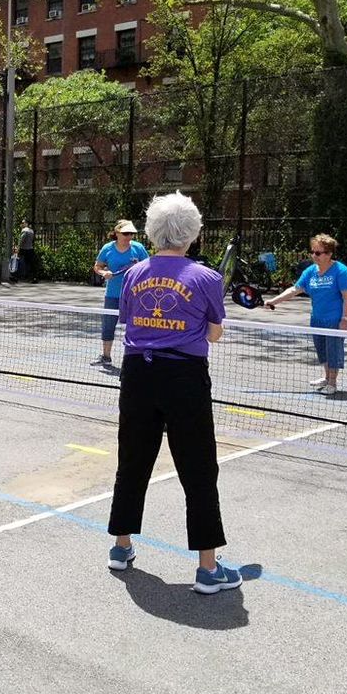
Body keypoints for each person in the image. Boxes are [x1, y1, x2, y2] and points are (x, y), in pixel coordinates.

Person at [106, 191, 240, 595]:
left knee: (133, 460)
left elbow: (131, 321)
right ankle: (207, 567)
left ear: (153, 230)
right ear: (193, 231)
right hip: (184, 376)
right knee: (198, 468)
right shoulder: (207, 278)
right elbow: (214, 333)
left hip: (137, 375)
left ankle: (121, 546)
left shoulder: (134, 273)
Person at [263, 233, 347, 396]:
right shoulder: (310, 271)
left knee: (333, 350)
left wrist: (345, 319)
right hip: (317, 318)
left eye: (318, 253)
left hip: (335, 319)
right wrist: (273, 301)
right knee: (322, 350)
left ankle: (333, 383)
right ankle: (326, 377)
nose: (314, 256)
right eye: (313, 252)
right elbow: (295, 289)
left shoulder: (341, 271)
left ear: (329, 254)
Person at [93, 219, 150, 369]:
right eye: (125, 233)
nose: (129, 236)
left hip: (135, 295)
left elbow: (149, 267)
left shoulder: (138, 248)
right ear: (117, 233)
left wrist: (139, 268)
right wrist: (104, 272)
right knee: (108, 325)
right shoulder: (108, 248)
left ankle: (135, 358)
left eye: (131, 234)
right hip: (112, 294)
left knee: (135, 326)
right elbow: (97, 266)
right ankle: (106, 356)